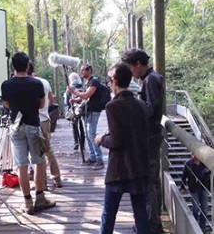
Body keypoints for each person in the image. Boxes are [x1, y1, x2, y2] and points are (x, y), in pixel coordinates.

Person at [95, 63, 150, 234]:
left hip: (119, 169)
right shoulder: (141, 105)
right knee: (141, 214)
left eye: (109, 80)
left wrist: (100, 139)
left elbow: (116, 140)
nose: (109, 83)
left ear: (115, 81)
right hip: (140, 167)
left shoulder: (112, 106)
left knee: (109, 213)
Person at [1, 52, 56, 215]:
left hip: (16, 126)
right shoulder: (36, 83)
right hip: (33, 124)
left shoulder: (6, 84)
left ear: (13, 66)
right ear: (27, 66)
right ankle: (40, 198)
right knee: (39, 162)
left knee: (21, 165)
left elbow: (6, 104)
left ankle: (27, 202)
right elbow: (41, 104)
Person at [122, 48, 164, 233]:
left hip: (150, 136)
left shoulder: (151, 80)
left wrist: (131, 102)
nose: (130, 73)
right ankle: (151, 222)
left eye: (130, 68)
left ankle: (150, 225)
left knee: (149, 182)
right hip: (151, 135)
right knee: (152, 180)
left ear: (138, 64)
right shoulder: (151, 78)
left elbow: (150, 109)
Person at [27, 62, 62, 188]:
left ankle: (42, 182)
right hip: (45, 120)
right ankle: (57, 179)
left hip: (33, 120)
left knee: (36, 154)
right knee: (48, 150)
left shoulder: (28, 84)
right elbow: (51, 100)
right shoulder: (45, 82)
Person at [67, 64, 104, 170]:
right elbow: (84, 97)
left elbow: (87, 95)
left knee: (92, 134)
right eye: (81, 70)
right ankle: (92, 157)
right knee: (88, 135)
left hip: (93, 111)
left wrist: (73, 92)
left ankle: (99, 159)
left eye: (84, 70)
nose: (82, 72)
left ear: (89, 70)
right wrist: (75, 100)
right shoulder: (87, 83)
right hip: (87, 111)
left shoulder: (94, 81)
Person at [180, 153, 210, 232]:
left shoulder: (205, 163)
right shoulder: (188, 164)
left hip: (204, 188)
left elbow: (209, 174)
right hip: (193, 189)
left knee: (204, 208)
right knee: (195, 208)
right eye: (193, 154)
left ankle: (202, 227)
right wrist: (182, 187)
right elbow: (184, 176)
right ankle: (195, 225)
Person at [64, 72, 85, 151]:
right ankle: (82, 143)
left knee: (74, 126)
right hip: (81, 108)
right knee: (81, 126)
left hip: (73, 108)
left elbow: (66, 101)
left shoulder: (70, 87)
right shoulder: (82, 86)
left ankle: (76, 142)